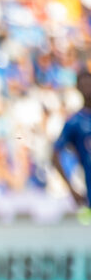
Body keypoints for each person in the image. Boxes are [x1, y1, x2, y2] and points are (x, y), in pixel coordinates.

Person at [51, 69, 91, 225]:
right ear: (78, 89)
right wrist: (71, 189)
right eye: (84, 85)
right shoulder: (75, 122)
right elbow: (55, 155)